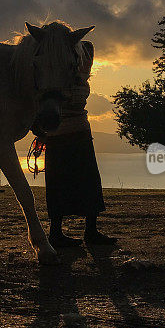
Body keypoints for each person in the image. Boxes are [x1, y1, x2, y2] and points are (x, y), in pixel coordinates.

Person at [41, 40, 117, 247]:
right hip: (63, 134)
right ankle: (60, 233)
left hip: (76, 133)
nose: (88, 63)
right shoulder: (59, 78)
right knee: (64, 185)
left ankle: (86, 231)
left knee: (86, 183)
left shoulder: (77, 78)